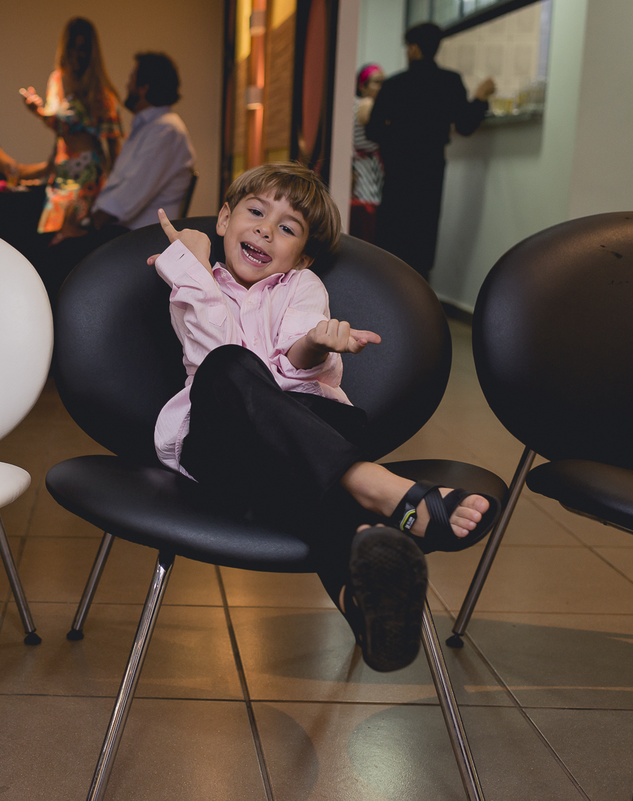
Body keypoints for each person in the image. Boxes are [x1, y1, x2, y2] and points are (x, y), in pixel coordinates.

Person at [148, 163, 499, 671]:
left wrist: (313, 344)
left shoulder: (302, 286)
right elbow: (217, 363)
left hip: (303, 444)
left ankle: (363, 599)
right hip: (217, 449)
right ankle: (381, 488)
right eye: (255, 211)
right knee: (228, 367)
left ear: (303, 254)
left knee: (305, 467)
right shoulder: (196, 286)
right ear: (223, 219)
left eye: (287, 228)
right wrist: (195, 267)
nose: (267, 229)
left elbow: (293, 371)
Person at [37, 51, 195, 298]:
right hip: (121, 232)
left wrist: (84, 227)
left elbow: (123, 203)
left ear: (144, 87)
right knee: (45, 243)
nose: (126, 84)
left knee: (50, 257)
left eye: (132, 77)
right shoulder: (150, 126)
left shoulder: (166, 130)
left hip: (137, 241)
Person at [365, 22, 495, 281]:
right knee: (423, 233)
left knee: (392, 233)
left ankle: (386, 297)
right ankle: (420, 303)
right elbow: (466, 125)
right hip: (431, 168)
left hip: (398, 168)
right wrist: (480, 97)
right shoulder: (450, 81)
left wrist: (397, 137)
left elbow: (373, 131)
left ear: (413, 49)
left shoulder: (394, 85)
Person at [20, 17, 123, 237]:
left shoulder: (100, 91)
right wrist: (37, 111)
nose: (78, 54)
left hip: (87, 172)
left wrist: (116, 192)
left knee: (69, 237)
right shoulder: (57, 80)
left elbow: (114, 144)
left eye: (83, 48)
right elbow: (60, 128)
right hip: (61, 169)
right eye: (73, 47)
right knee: (49, 235)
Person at [350, 63, 385, 242]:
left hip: (373, 169)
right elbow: (364, 141)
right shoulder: (361, 105)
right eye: (377, 82)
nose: (382, 87)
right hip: (362, 170)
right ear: (362, 85)